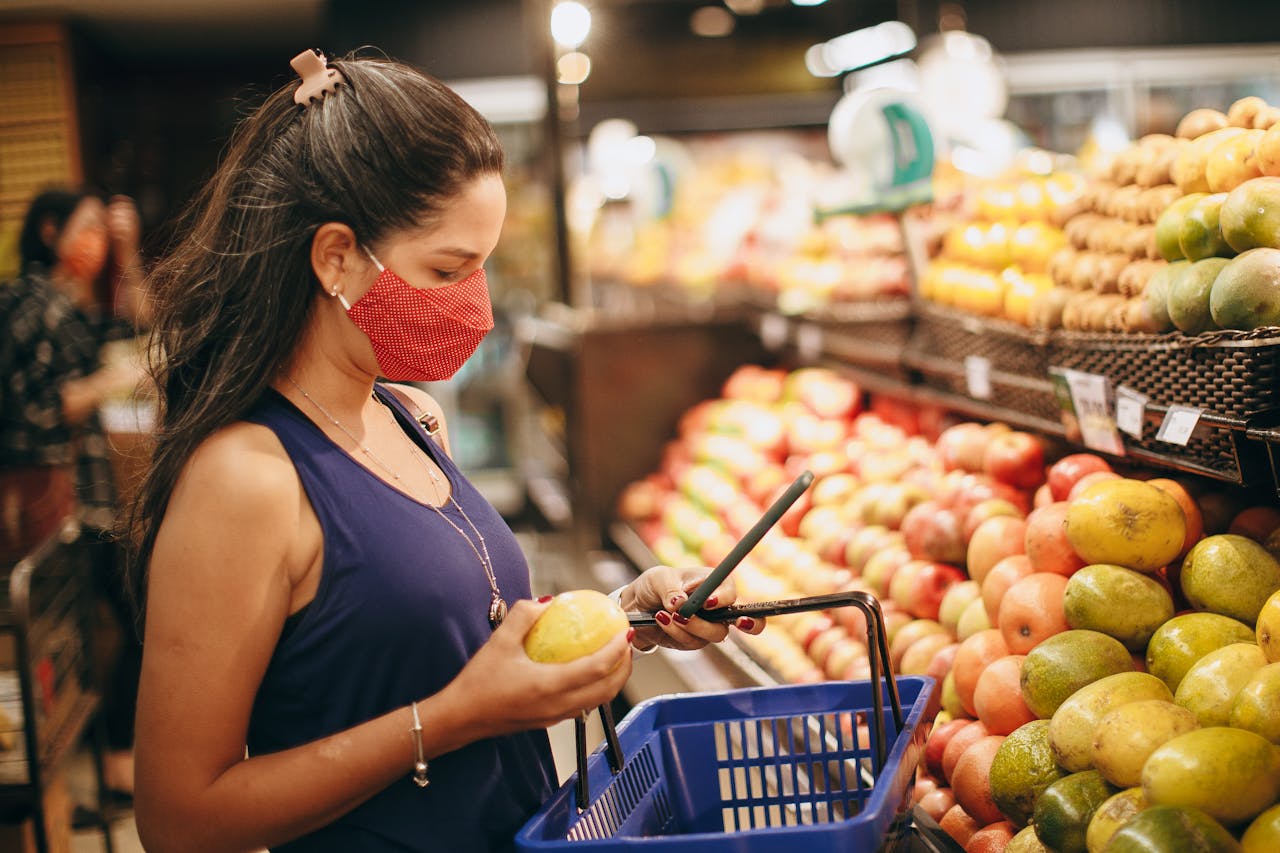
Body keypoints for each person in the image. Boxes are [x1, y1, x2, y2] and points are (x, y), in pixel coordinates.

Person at [125, 50, 765, 853]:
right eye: (448, 269)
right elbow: (180, 817)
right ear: (336, 258)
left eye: (484, 268)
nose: (479, 307)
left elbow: (436, 642)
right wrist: (456, 718)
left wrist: (628, 616)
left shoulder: (412, 417)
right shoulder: (246, 479)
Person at [0, 187, 150, 796]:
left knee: (118, 624)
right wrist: (109, 381)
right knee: (73, 635)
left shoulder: (70, 304)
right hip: (46, 500)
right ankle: (99, 771)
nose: (95, 242)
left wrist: (130, 249)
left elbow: (139, 318)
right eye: (86, 228)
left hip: (86, 499)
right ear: (49, 232)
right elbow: (27, 409)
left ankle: (114, 763)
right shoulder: (24, 302)